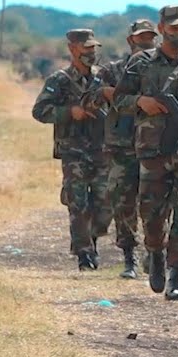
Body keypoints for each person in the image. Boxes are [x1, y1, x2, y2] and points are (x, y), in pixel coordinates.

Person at [114, 5, 178, 300]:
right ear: (162, 29)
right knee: (152, 215)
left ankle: (176, 276)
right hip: (154, 152)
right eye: (174, 28)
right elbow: (119, 100)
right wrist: (141, 102)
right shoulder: (141, 63)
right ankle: (155, 253)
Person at [31, 29, 112, 270]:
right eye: (86, 48)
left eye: (93, 48)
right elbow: (40, 111)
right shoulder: (59, 80)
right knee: (78, 203)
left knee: (104, 203)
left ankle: (91, 238)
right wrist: (69, 112)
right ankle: (84, 252)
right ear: (72, 48)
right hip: (73, 151)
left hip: (102, 149)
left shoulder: (104, 78)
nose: (91, 52)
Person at [95, 19, 158, 279]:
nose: (146, 42)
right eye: (141, 37)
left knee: (155, 205)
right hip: (122, 147)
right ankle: (129, 257)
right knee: (122, 203)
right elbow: (89, 99)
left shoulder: (162, 70)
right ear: (131, 40)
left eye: (150, 37)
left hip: (155, 147)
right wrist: (107, 93)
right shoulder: (113, 70)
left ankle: (155, 255)